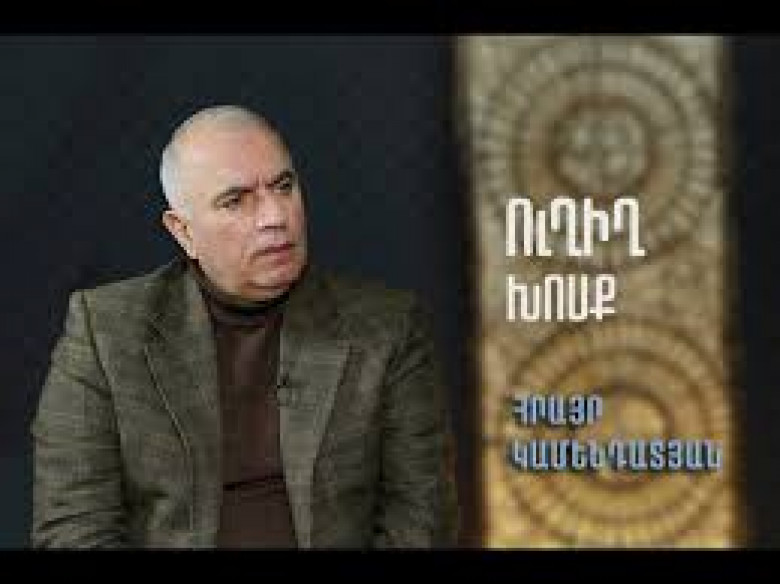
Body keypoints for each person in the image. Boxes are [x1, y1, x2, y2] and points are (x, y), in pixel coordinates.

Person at [30, 104, 459, 548]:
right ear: (183, 232)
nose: (275, 217)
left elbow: (422, 518)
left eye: (284, 187)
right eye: (236, 200)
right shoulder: (106, 332)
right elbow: (72, 528)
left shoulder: (387, 327)